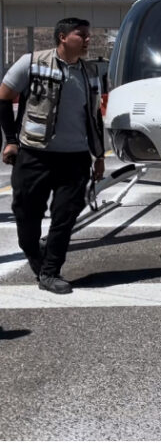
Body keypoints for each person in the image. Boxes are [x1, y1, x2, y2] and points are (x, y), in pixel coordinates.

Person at [0, 17, 105, 294]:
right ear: (62, 37)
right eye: (81, 35)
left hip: (75, 158)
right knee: (26, 215)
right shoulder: (31, 63)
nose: (88, 39)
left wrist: (99, 156)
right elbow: (4, 97)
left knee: (65, 216)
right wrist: (11, 141)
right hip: (34, 155)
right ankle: (36, 257)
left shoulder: (90, 72)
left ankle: (50, 272)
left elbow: (94, 116)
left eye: (88, 35)